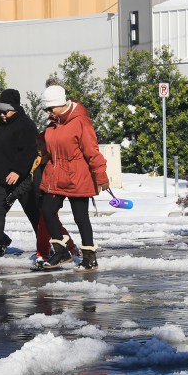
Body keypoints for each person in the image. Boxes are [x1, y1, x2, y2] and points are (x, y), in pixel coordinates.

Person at [38, 84, 109, 270]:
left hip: (78, 177)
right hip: (56, 176)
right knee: (47, 210)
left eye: (50, 108)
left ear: (61, 104)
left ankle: (89, 257)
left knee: (81, 217)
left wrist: (100, 175)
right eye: (46, 109)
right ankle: (61, 252)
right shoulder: (53, 125)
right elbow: (49, 145)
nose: (48, 112)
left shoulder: (80, 122)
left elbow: (92, 151)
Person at [4, 132, 79, 269]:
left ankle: (43, 254)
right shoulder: (38, 162)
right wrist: (14, 194)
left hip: (51, 200)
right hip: (41, 201)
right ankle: (71, 247)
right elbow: (29, 182)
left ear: (49, 146)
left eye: (41, 145)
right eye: (36, 145)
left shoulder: (51, 163)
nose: (37, 148)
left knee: (42, 228)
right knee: (56, 226)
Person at [0, 88, 37, 257]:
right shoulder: (1, 126)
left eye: (6, 112)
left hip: (21, 179)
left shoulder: (25, 125)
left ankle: (48, 245)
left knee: (34, 213)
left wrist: (17, 171)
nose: (2, 115)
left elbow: (29, 151)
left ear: (15, 109)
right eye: (0, 112)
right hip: (2, 179)